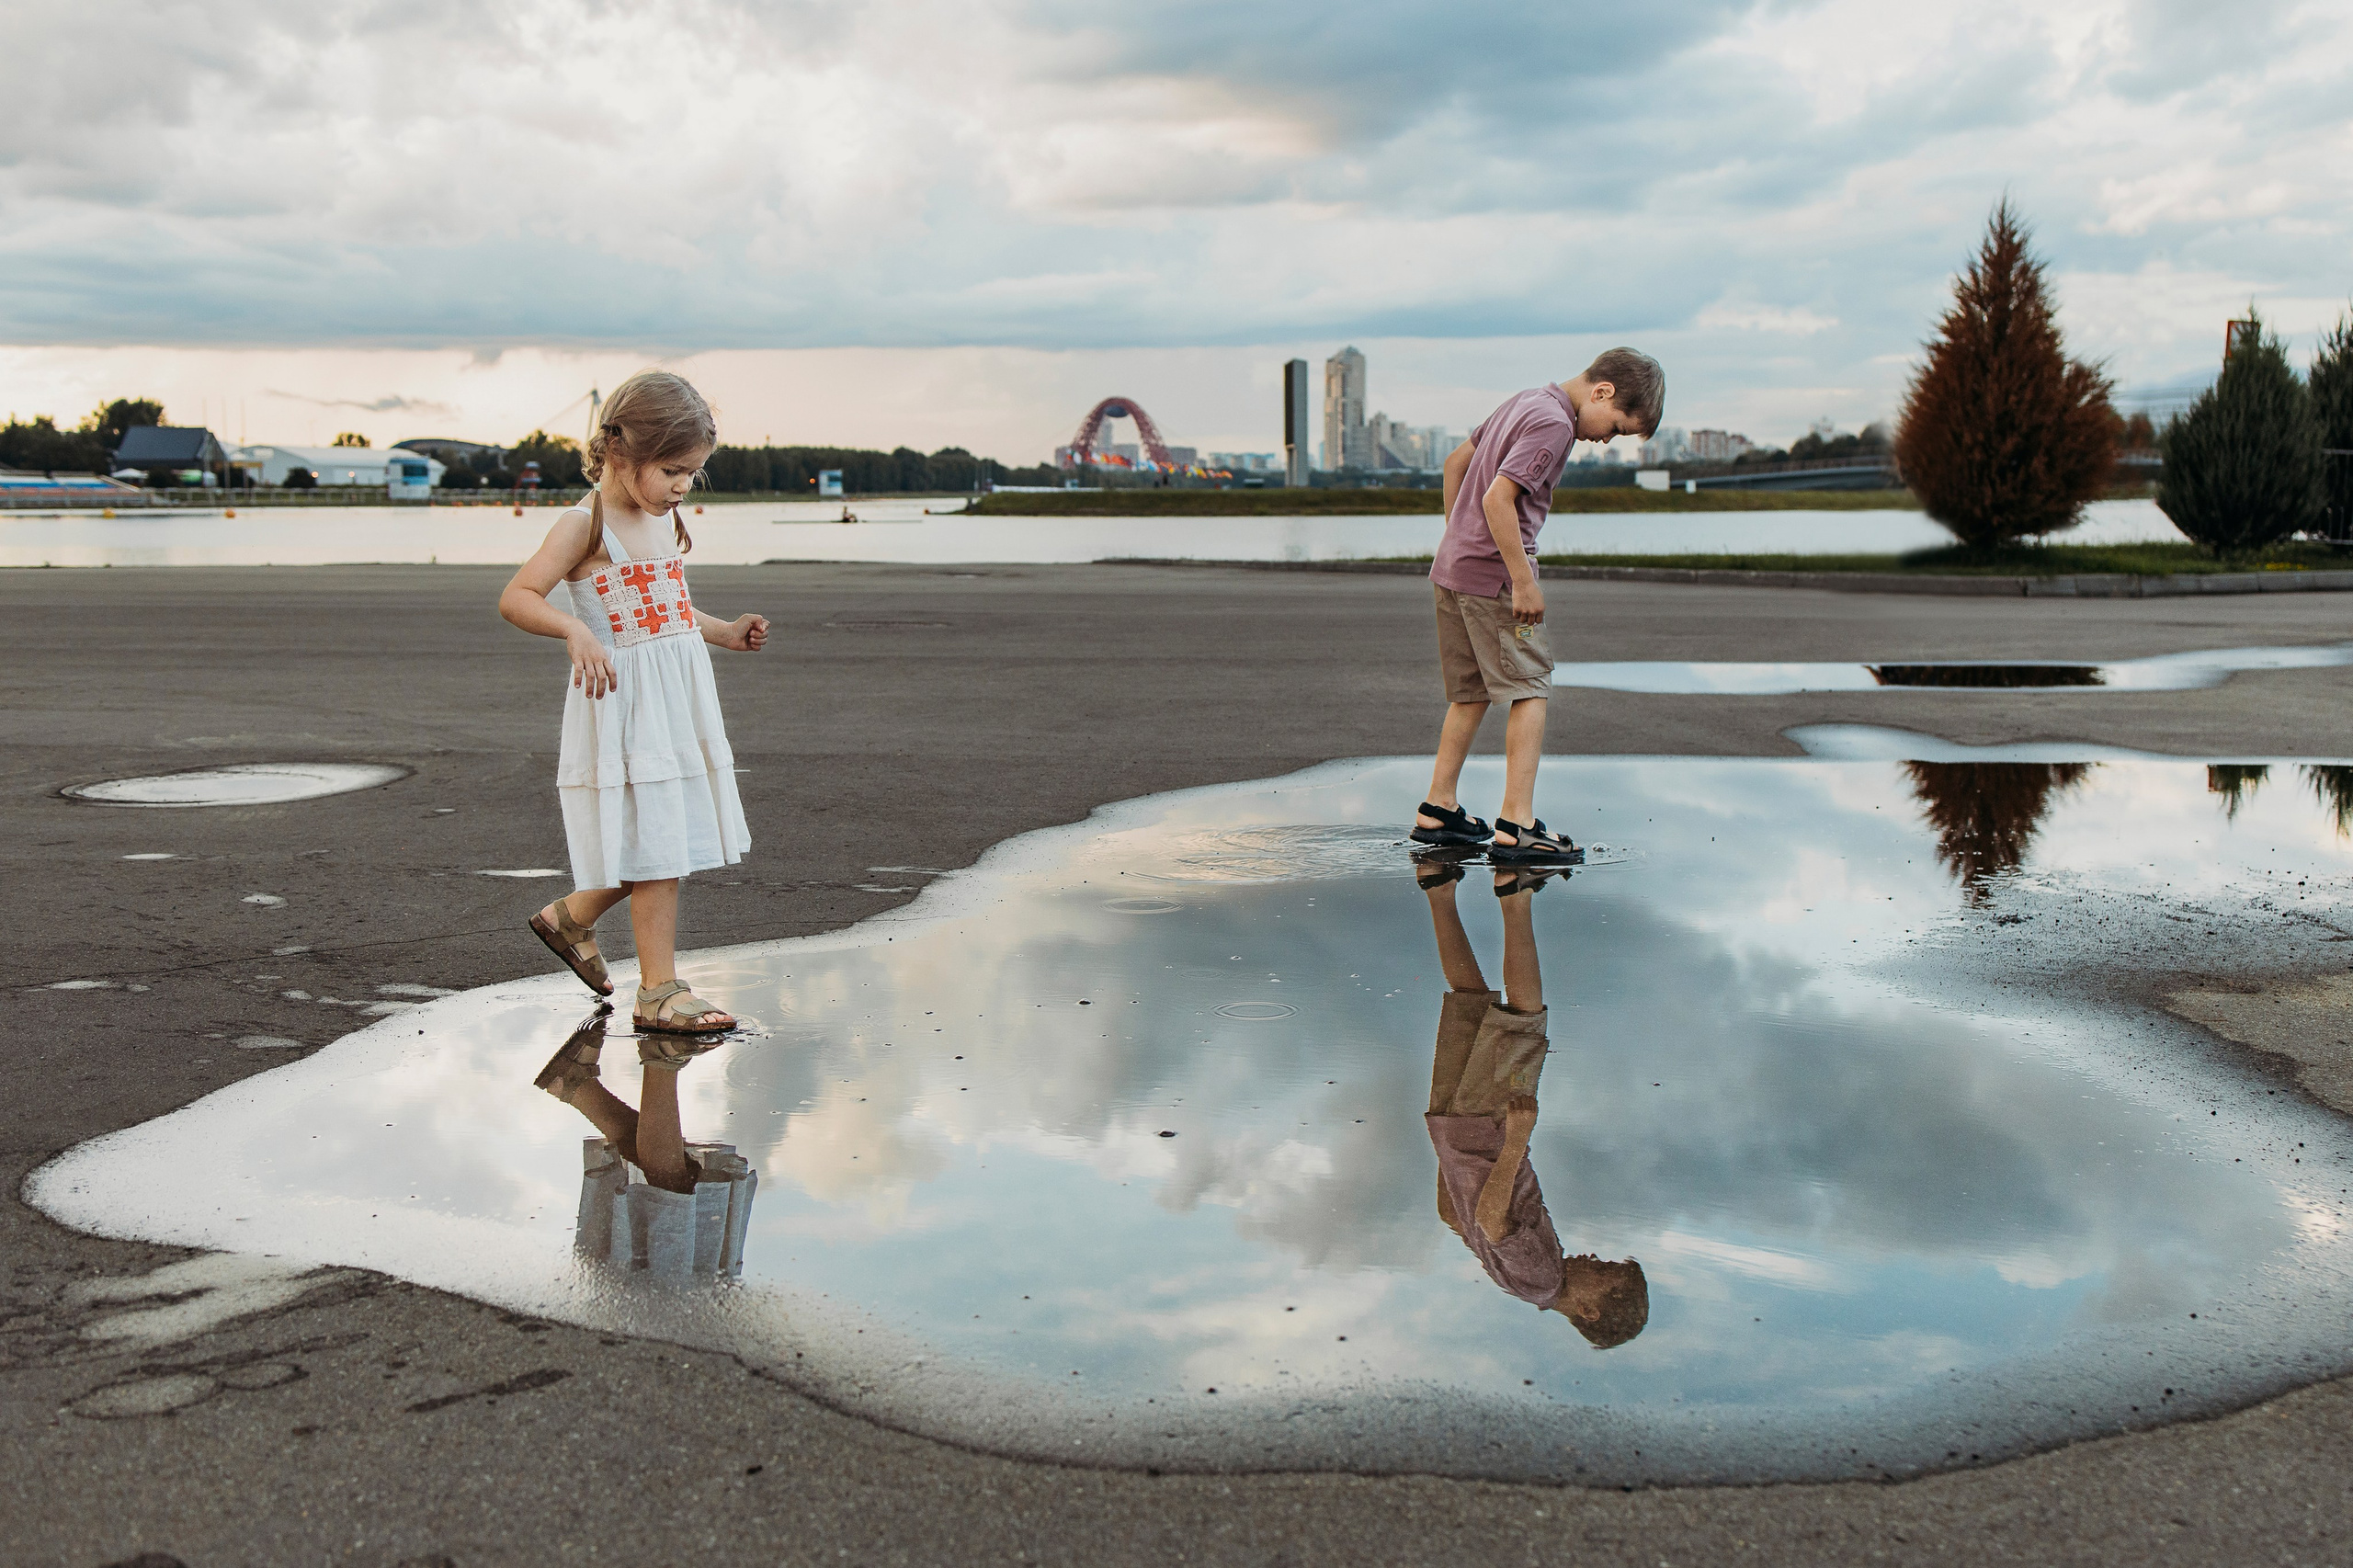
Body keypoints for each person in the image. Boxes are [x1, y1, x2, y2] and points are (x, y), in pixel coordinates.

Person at [499, 369, 767, 1039]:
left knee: (660, 834)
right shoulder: (583, 524)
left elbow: (665, 610)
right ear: (623, 453)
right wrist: (573, 628)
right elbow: (518, 596)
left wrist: (724, 632)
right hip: (625, 702)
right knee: (658, 842)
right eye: (673, 470)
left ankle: (571, 919)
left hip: (677, 698)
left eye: (693, 475)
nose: (683, 486)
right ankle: (658, 991)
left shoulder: (663, 519)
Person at [1411, 349, 1665, 865]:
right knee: (1531, 686)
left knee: (1471, 692)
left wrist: (1456, 536)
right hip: (1495, 578)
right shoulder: (1555, 424)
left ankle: (1438, 809)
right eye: (1615, 427)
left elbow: (1455, 463)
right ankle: (1517, 824)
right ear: (1603, 392)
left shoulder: (1525, 401)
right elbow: (1497, 500)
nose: (1604, 440)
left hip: (1455, 570)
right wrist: (1523, 583)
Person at [1420, 858, 1648, 1348]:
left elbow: (1490, 1220)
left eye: (1604, 1273)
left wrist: (1514, 1140)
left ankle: (1514, 894)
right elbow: (1450, 1213)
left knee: (1524, 1019)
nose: (1595, 1260)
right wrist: (1450, 1153)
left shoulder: (1543, 1278)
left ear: (1589, 1308)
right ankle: (1436, 885)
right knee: (1470, 998)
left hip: (1488, 1129)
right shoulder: (1521, 1287)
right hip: (1455, 1130)